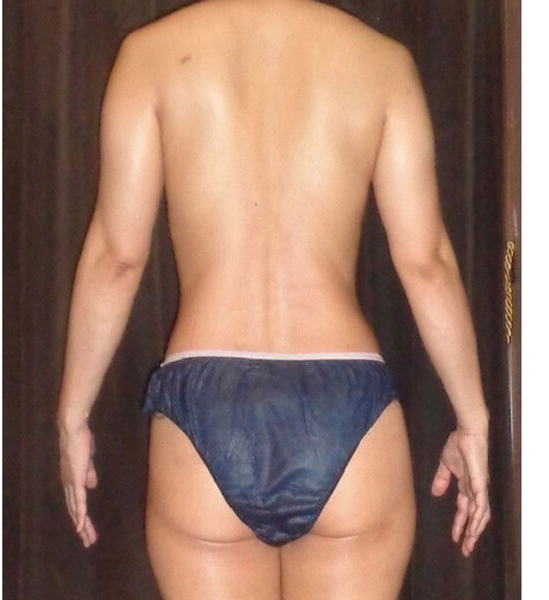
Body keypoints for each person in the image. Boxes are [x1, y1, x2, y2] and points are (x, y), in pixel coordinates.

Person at [56, 0, 491, 597]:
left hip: (206, 402)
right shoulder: (383, 64)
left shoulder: (149, 56)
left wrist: (73, 418)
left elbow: (116, 259)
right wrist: (472, 420)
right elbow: (426, 265)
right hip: (346, 406)